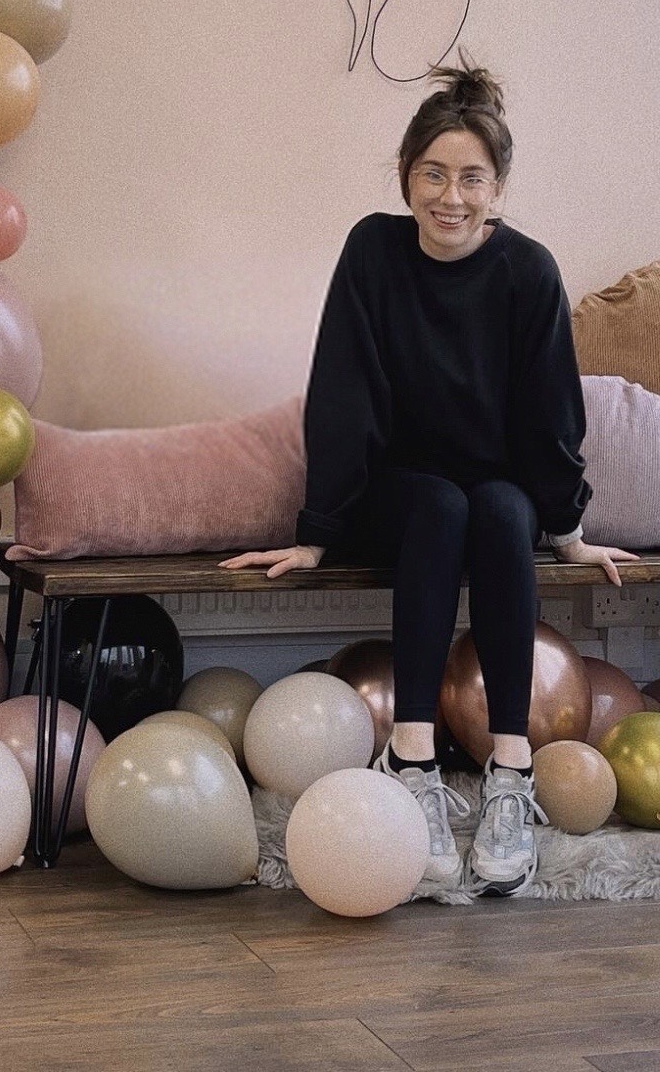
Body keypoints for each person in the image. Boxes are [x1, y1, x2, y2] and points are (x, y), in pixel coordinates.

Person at [221, 59, 635, 897]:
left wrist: (570, 530)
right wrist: (317, 531)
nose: (451, 196)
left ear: (499, 186)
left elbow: (553, 414)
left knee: (493, 504)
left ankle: (509, 773)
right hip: (400, 492)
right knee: (443, 503)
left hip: (499, 493)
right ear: (407, 176)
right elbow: (342, 391)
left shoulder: (529, 272)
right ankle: (413, 757)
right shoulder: (372, 250)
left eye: (472, 178)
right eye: (434, 174)